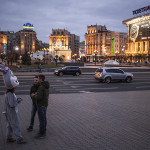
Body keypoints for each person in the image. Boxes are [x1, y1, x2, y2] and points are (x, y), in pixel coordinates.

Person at [0, 64, 26, 144]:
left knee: (9, 125)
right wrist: (18, 101)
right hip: (11, 112)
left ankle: (9, 137)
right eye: (15, 87)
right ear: (12, 87)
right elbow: (12, 104)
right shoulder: (10, 94)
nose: (16, 88)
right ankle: (19, 139)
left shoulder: (8, 93)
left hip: (7, 112)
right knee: (16, 124)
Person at [32, 74, 49, 139]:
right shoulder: (46, 85)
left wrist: (34, 95)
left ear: (41, 79)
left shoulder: (41, 87)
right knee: (44, 119)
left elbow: (39, 97)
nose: (37, 79)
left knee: (41, 120)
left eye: (38, 78)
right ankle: (43, 131)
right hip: (45, 104)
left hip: (41, 105)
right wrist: (38, 93)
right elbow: (45, 94)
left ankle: (42, 134)